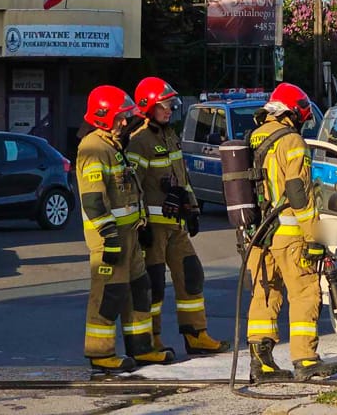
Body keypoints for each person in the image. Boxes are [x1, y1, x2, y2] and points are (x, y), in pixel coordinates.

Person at [245, 82, 337, 382]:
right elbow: (298, 193)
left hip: (258, 234)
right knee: (305, 293)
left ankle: (261, 364)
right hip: (288, 233)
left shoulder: (253, 138)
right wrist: (314, 236)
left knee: (264, 292)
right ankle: (305, 359)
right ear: (294, 111)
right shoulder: (292, 142)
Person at [126, 77, 230, 355]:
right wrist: (140, 224)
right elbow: (132, 186)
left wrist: (193, 209)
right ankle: (152, 338)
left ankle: (196, 334)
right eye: (164, 105)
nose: (169, 110)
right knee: (155, 284)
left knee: (192, 274)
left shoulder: (170, 136)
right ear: (148, 107)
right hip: (154, 228)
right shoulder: (139, 142)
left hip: (177, 224)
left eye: (171, 105)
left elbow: (181, 179)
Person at [77, 85, 175, 373]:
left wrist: (140, 223)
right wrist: (108, 237)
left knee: (139, 290)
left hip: (130, 235)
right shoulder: (93, 148)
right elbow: (94, 200)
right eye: (119, 117)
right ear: (103, 115)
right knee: (109, 294)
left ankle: (141, 348)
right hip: (110, 238)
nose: (124, 122)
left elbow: (131, 191)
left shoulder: (113, 145)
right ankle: (100, 353)